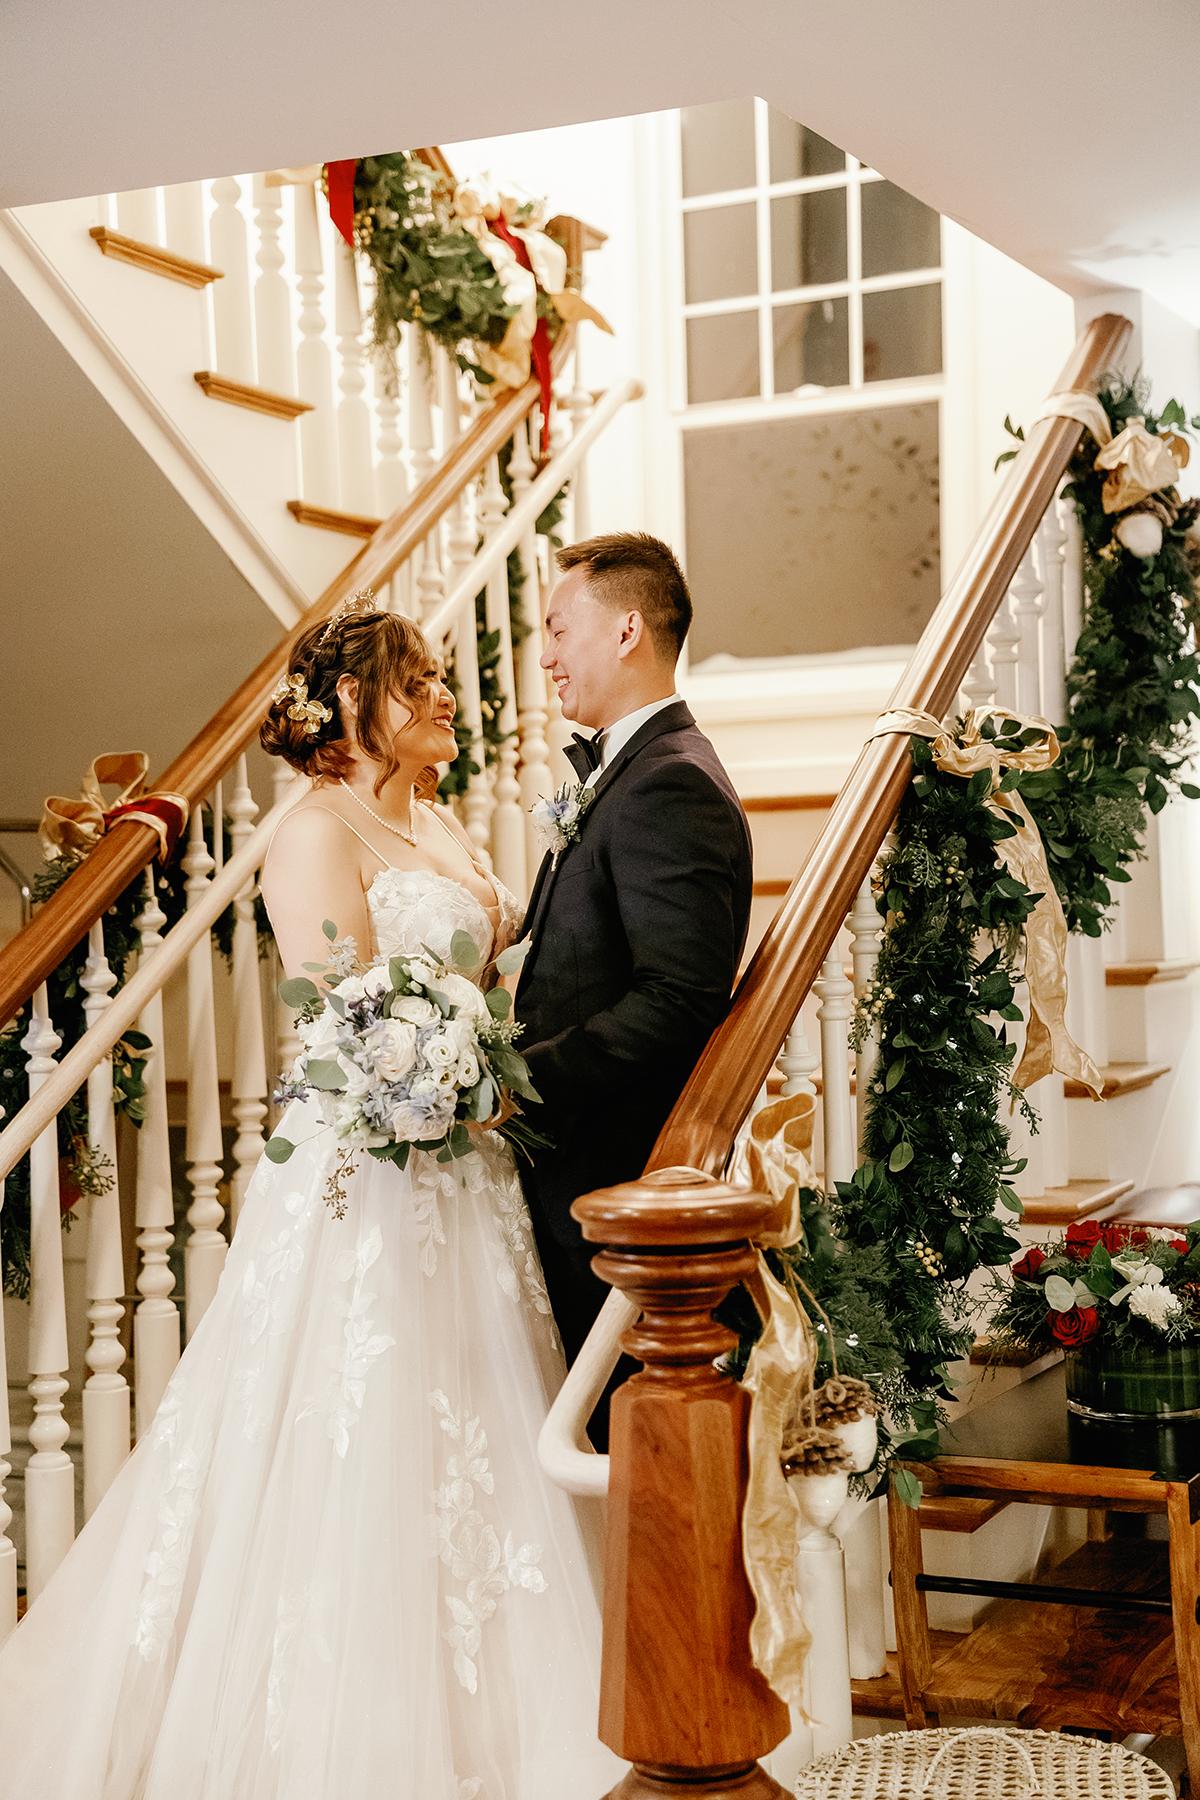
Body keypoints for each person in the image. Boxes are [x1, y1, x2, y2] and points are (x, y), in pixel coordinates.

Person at [0, 597, 623, 1799]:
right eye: (418, 681)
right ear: (354, 707)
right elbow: (343, 1017)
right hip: (369, 1184)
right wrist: (430, 1071)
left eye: (443, 677)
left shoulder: (441, 824)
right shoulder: (310, 832)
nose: (447, 695)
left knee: (487, 1424)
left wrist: (477, 1076)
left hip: (473, 1175)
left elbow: (482, 982)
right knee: (359, 1427)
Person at [516, 534, 754, 1445]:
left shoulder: (670, 784)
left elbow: (679, 998)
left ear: (624, 631)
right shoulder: (639, 769)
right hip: (582, 1165)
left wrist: (519, 1083)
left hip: (612, 1167)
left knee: (619, 1437)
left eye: (556, 626)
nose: (545, 653)